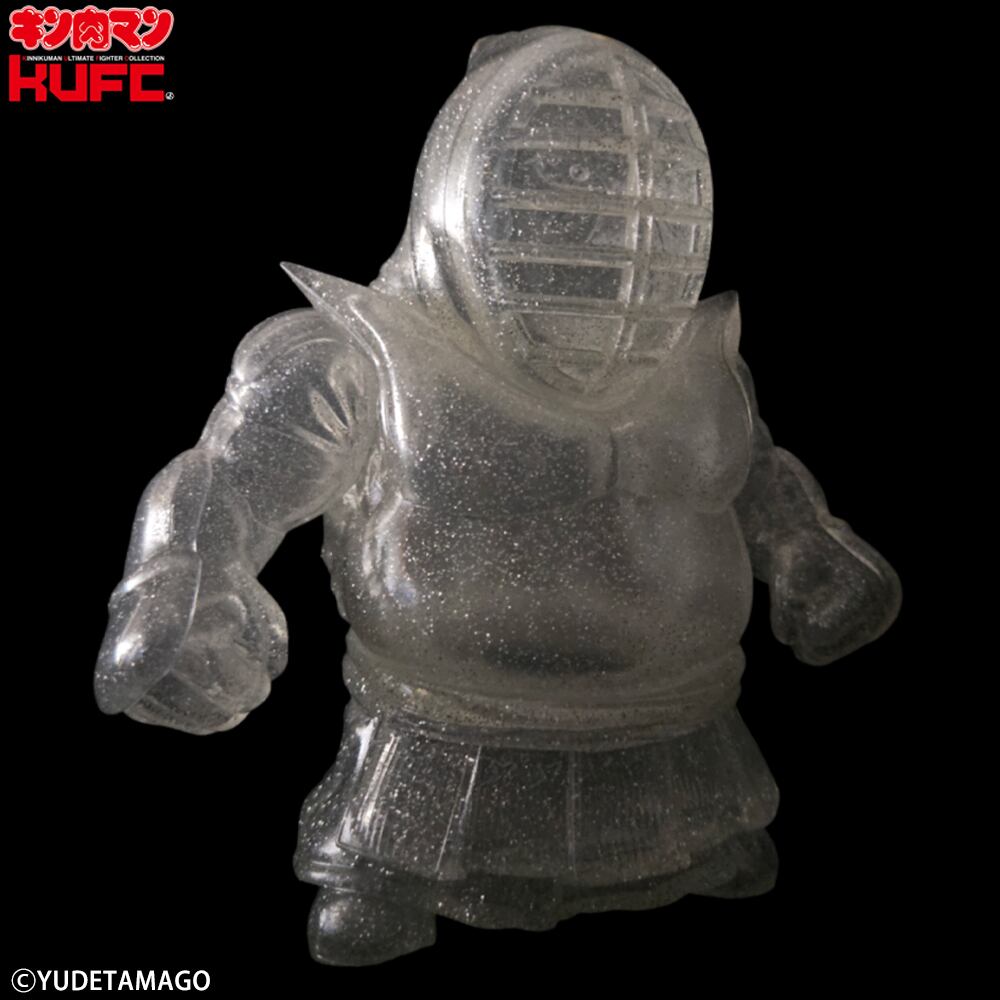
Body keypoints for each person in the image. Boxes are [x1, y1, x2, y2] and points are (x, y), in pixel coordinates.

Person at [94, 27, 902, 966]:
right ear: (465, 185)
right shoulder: (364, 356)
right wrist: (177, 583)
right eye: (560, 176)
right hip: (439, 726)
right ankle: (387, 874)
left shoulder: (699, 360)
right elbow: (230, 477)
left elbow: (752, 472)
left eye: (611, 180)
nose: (600, 207)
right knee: (395, 871)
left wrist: (806, 544)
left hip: (684, 718)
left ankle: (695, 847)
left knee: (712, 848)